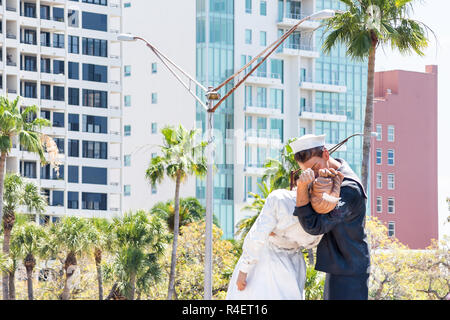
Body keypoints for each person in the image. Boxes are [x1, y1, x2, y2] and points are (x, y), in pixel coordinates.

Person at [291, 134, 371, 300]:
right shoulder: (324, 180)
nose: (312, 174)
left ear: (326, 154)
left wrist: (302, 190)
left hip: (350, 272)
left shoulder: (348, 188)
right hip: (339, 267)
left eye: (314, 167)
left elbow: (315, 226)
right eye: (307, 172)